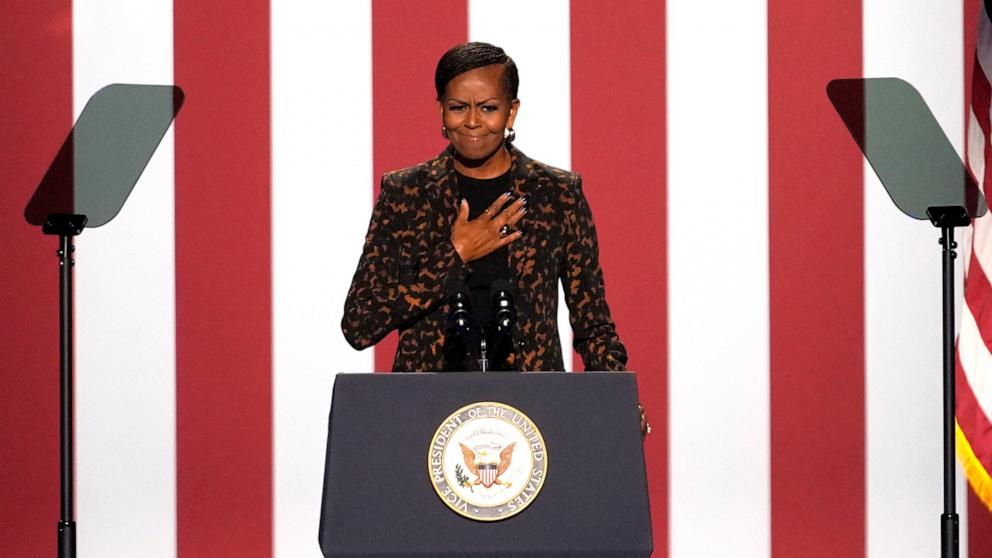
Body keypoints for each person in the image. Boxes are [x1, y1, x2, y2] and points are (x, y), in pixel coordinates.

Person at [341, 42, 627, 373]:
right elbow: (360, 324)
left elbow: (593, 327)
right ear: (441, 111)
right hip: (428, 406)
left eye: (489, 108)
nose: (473, 122)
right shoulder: (407, 194)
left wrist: (618, 397)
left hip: (531, 407)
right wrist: (456, 253)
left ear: (512, 111)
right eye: (459, 107)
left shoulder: (557, 194)